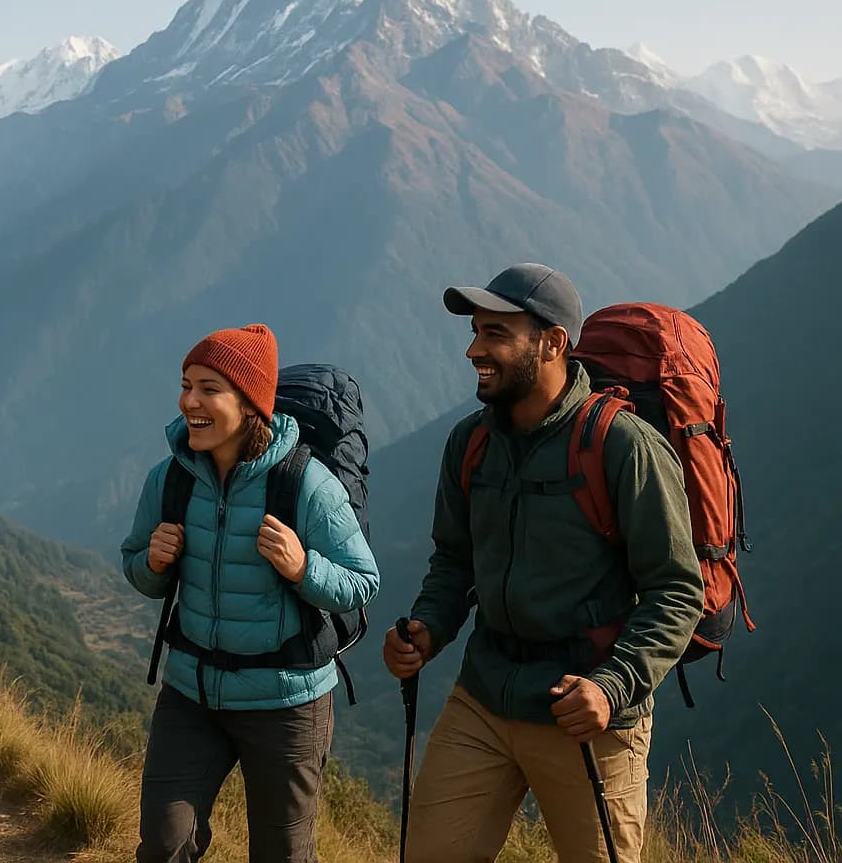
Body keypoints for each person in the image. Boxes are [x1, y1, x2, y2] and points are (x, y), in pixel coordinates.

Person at [384, 263, 704, 863]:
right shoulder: (471, 443)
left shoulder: (622, 447)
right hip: (484, 698)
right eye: (475, 332)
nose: (475, 349)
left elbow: (676, 590)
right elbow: (455, 561)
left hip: (585, 712)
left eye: (496, 334)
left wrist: (612, 689)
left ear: (554, 343)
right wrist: (428, 628)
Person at [120, 323, 380, 863]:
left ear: (250, 404)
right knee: (163, 847)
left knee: (282, 855)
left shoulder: (304, 484)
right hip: (191, 694)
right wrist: (152, 561)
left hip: (286, 702)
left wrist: (303, 567)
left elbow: (363, 583)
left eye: (209, 389)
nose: (189, 400)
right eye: (186, 384)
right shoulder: (169, 479)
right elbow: (138, 571)